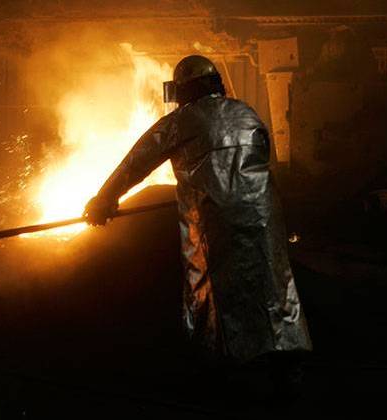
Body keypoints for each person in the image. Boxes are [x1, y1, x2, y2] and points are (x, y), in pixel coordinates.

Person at [84, 55, 312, 399]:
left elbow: (138, 161)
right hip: (262, 215)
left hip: (215, 220)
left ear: (187, 89)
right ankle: (287, 361)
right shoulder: (245, 111)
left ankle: (225, 373)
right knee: (271, 283)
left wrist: (104, 200)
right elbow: (264, 156)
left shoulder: (181, 121)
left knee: (216, 290)